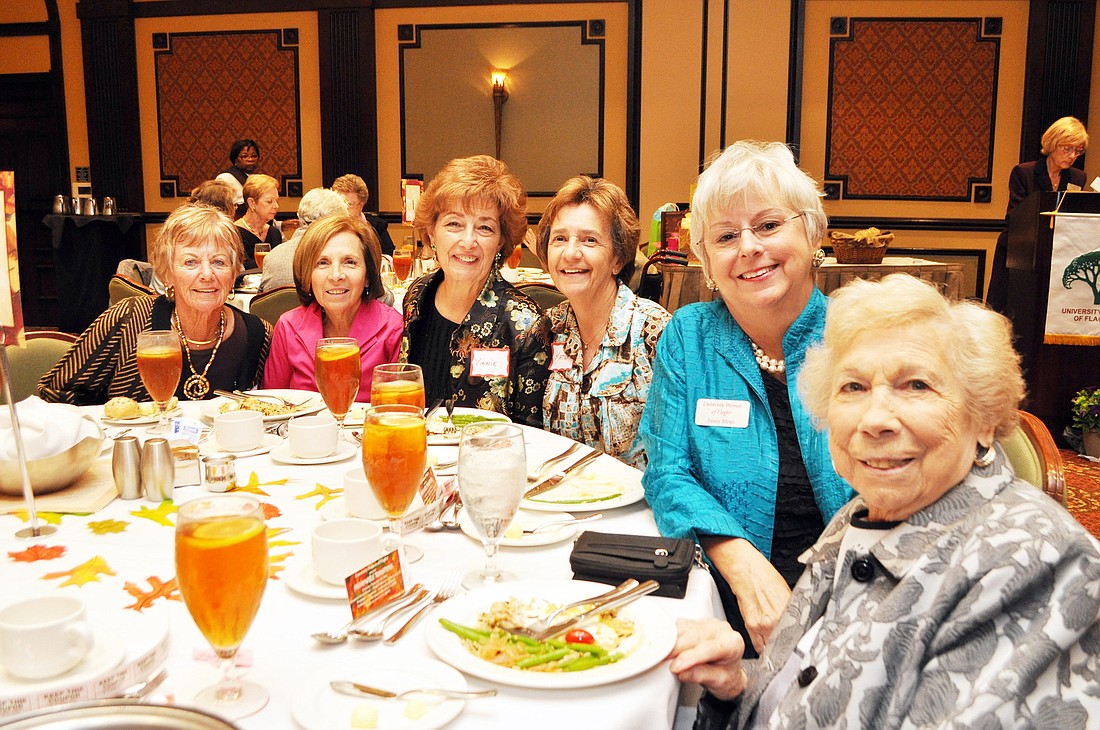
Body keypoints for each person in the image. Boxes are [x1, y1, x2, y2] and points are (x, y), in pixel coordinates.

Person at [670, 273, 1100, 729]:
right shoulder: (861, 516)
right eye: (853, 387)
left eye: (916, 385)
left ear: (985, 419)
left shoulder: (1034, 561)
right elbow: (815, 682)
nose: (875, 420)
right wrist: (740, 684)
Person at [639, 140, 853, 657]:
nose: (749, 247)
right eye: (726, 236)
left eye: (769, 225)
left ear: (813, 232)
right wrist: (740, 561)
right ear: (706, 262)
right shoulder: (689, 338)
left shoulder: (861, 333)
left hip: (856, 603)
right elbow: (667, 470)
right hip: (722, 600)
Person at [39, 204, 272, 404]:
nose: (207, 274)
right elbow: (53, 394)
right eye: (190, 262)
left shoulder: (257, 334)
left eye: (219, 262)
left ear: (234, 273)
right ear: (167, 272)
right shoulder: (130, 319)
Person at [402, 155, 550, 427]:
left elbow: (532, 434)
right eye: (454, 224)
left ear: (501, 241)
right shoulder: (417, 295)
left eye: (484, 227)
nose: (468, 241)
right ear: (432, 233)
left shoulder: (524, 324)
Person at [536, 176, 671, 467]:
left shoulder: (656, 333)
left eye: (589, 240)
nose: (571, 253)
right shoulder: (549, 329)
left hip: (641, 506)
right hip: (564, 502)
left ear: (617, 259)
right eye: (559, 239)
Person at [263, 215, 402, 399]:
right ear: (307, 275)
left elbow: (401, 412)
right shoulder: (288, 326)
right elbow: (271, 405)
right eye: (323, 263)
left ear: (368, 276)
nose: (336, 275)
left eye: (349, 262)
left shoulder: (392, 329)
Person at [987, 116, 1089, 311]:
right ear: (1052, 144)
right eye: (1067, 148)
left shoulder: (1078, 176)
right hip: (1018, 249)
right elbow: (1015, 215)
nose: (1072, 155)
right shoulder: (1024, 172)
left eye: (1078, 150)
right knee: (1010, 308)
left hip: (1057, 252)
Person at [259, 188, 348, 292]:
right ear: (335, 222)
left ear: (299, 216)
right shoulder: (341, 259)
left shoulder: (271, 257)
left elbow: (259, 303)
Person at [331, 173, 395, 256]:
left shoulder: (377, 226)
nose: (343, 208)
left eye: (349, 204)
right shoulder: (328, 227)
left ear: (360, 206)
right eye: (340, 202)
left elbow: (389, 255)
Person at [235, 174, 282, 268]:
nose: (276, 206)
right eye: (269, 201)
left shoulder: (274, 233)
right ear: (252, 203)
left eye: (276, 201)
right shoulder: (234, 233)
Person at [215, 138, 260, 216]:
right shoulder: (225, 178)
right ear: (235, 159)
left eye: (254, 156)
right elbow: (219, 209)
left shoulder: (256, 179)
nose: (250, 159)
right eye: (244, 156)